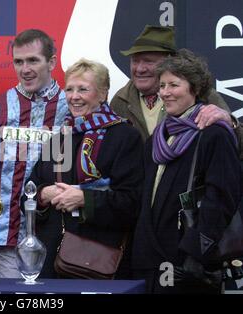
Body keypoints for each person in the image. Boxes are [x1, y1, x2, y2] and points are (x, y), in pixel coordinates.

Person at [132, 49, 241, 293]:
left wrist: (195, 252)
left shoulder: (215, 135)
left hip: (188, 265)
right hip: (151, 262)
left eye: (174, 85)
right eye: (162, 85)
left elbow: (222, 199)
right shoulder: (157, 138)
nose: (165, 92)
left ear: (195, 88)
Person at [26, 58, 144, 278]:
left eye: (83, 89)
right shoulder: (60, 138)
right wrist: (43, 194)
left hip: (101, 260)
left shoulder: (125, 136)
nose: (74, 96)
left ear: (102, 93)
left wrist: (84, 199)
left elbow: (132, 202)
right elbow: (30, 191)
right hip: (54, 260)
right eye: (69, 89)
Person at [0, 29, 69, 278]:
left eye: (33, 60)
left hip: (58, 233)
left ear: (51, 62)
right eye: (19, 62)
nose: (25, 69)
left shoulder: (70, 106)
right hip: (9, 230)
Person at [110, 25, 243, 156]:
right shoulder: (120, 100)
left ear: (169, 62)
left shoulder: (201, 93)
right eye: (135, 61)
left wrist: (229, 122)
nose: (140, 69)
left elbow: (238, 145)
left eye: (148, 61)